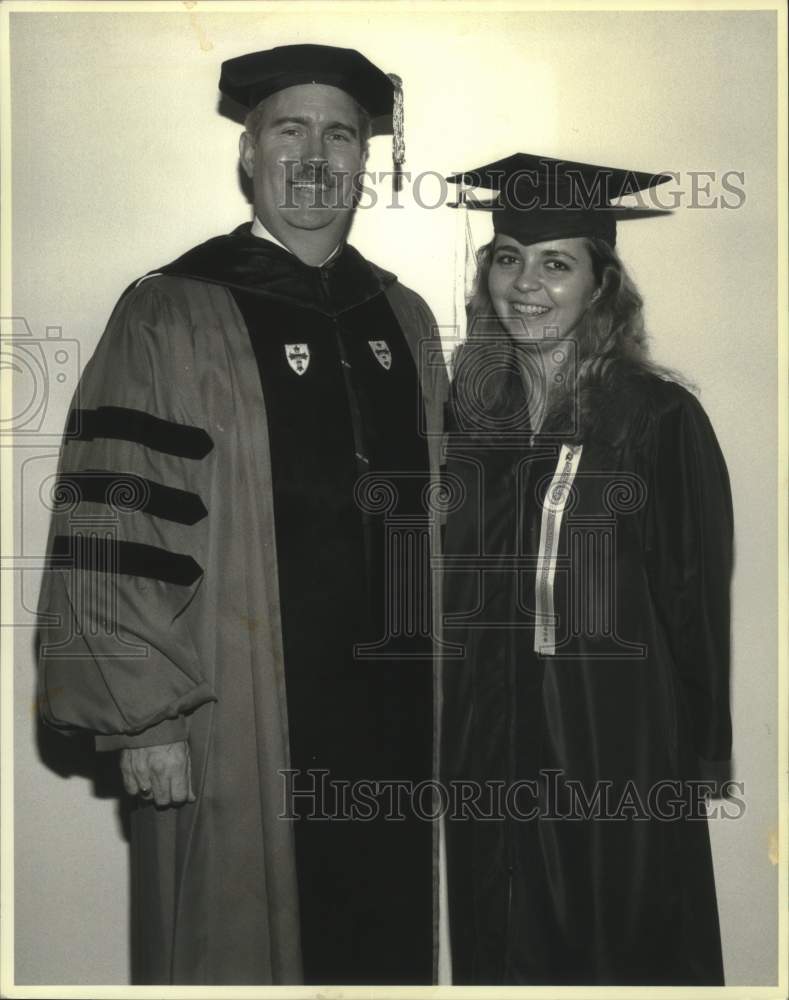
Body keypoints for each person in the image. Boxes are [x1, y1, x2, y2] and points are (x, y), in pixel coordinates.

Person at [37, 44, 447, 986]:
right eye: (289, 129)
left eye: (339, 134)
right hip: (231, 716)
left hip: (390, 718)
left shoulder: (405, 318)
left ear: (364, 161)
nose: (315, 156)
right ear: (249, 154)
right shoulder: (169, 312)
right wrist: (144, 721)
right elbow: (117, 520)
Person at [441, 153, 733, 985]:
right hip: (486, 741)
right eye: (507, 256)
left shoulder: (655, 418)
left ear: (600, 286)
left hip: (613, 743)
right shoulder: (463, 418)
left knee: (615, 944)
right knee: (497, 941)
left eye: (554, 263)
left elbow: (693, 596)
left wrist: (699, 752)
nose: (524, 283)